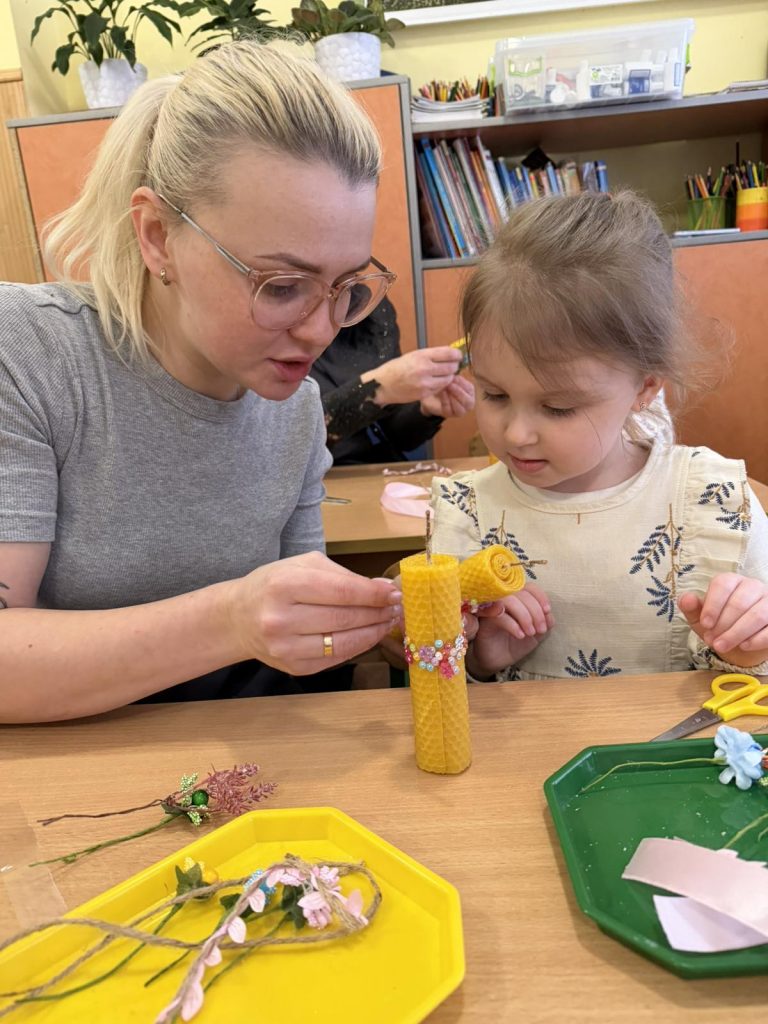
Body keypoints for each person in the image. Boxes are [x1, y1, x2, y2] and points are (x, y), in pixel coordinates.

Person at [0, 42, 404, 723]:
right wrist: (230, 620)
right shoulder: (30, 354)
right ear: (158, 235)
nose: (320, 331)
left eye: (346, 287)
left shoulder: (297, 408)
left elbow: (297, 640)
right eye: (282, 286)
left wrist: (385, 620)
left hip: (261, 760)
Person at [429, 190, 768, 682]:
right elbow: (435, 677)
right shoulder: (466, 514)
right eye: (494, 394)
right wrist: (480, 660)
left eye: (558, 407)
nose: (517, 434)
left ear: (645, 387)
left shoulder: (711, 502)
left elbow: (754, 671)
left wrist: (748, 649)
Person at [310, 296, 475, 464]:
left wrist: (424, 411)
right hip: (320, 475)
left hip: (378, 469)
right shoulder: (299, 319)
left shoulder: (373, 307)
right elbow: (297, 439)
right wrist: (377, 389)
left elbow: (397, 437)